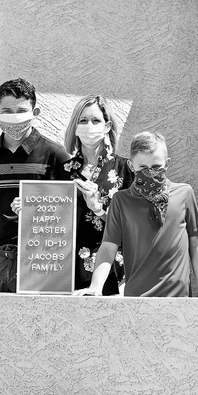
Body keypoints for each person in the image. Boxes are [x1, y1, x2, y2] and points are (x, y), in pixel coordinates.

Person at [72, 131, 198, 298]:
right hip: (136, 299)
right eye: (143, 167)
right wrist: (95, 286)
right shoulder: (121, 201)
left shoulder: (184, 193)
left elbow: (195, 243)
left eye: (156, 167)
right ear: (131, 166)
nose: (150, 172)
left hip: (178, 299)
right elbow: (108, 247)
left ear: (167, 164)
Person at [0, 78, 71, 292]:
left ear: (35, 113)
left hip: (40, 258)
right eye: (7, 111)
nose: (14, 117)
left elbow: (70, 207)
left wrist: (36, 206)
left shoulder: (56, 155)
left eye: (21, 110)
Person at [62, 95, 132, 295]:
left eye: (95, 120)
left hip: (113, 268)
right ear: (75, 127)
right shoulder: (63, 171)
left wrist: (99, 209)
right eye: (82, 121)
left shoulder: (125, 170)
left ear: (107, 126)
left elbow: (133, 227)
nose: (89, 126)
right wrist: (27, 207)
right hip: (70, 268)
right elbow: (50, 216)